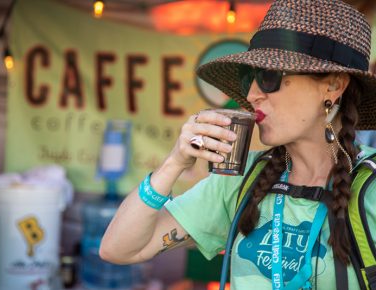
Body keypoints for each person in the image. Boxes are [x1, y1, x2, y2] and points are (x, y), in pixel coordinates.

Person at [99, 0, 376, 289]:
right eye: (250, 79)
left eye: (269, 77)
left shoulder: (371, 187)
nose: (253, 94)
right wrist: (175, 163)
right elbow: (118, 249)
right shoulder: (244, 181)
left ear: (333, 86)